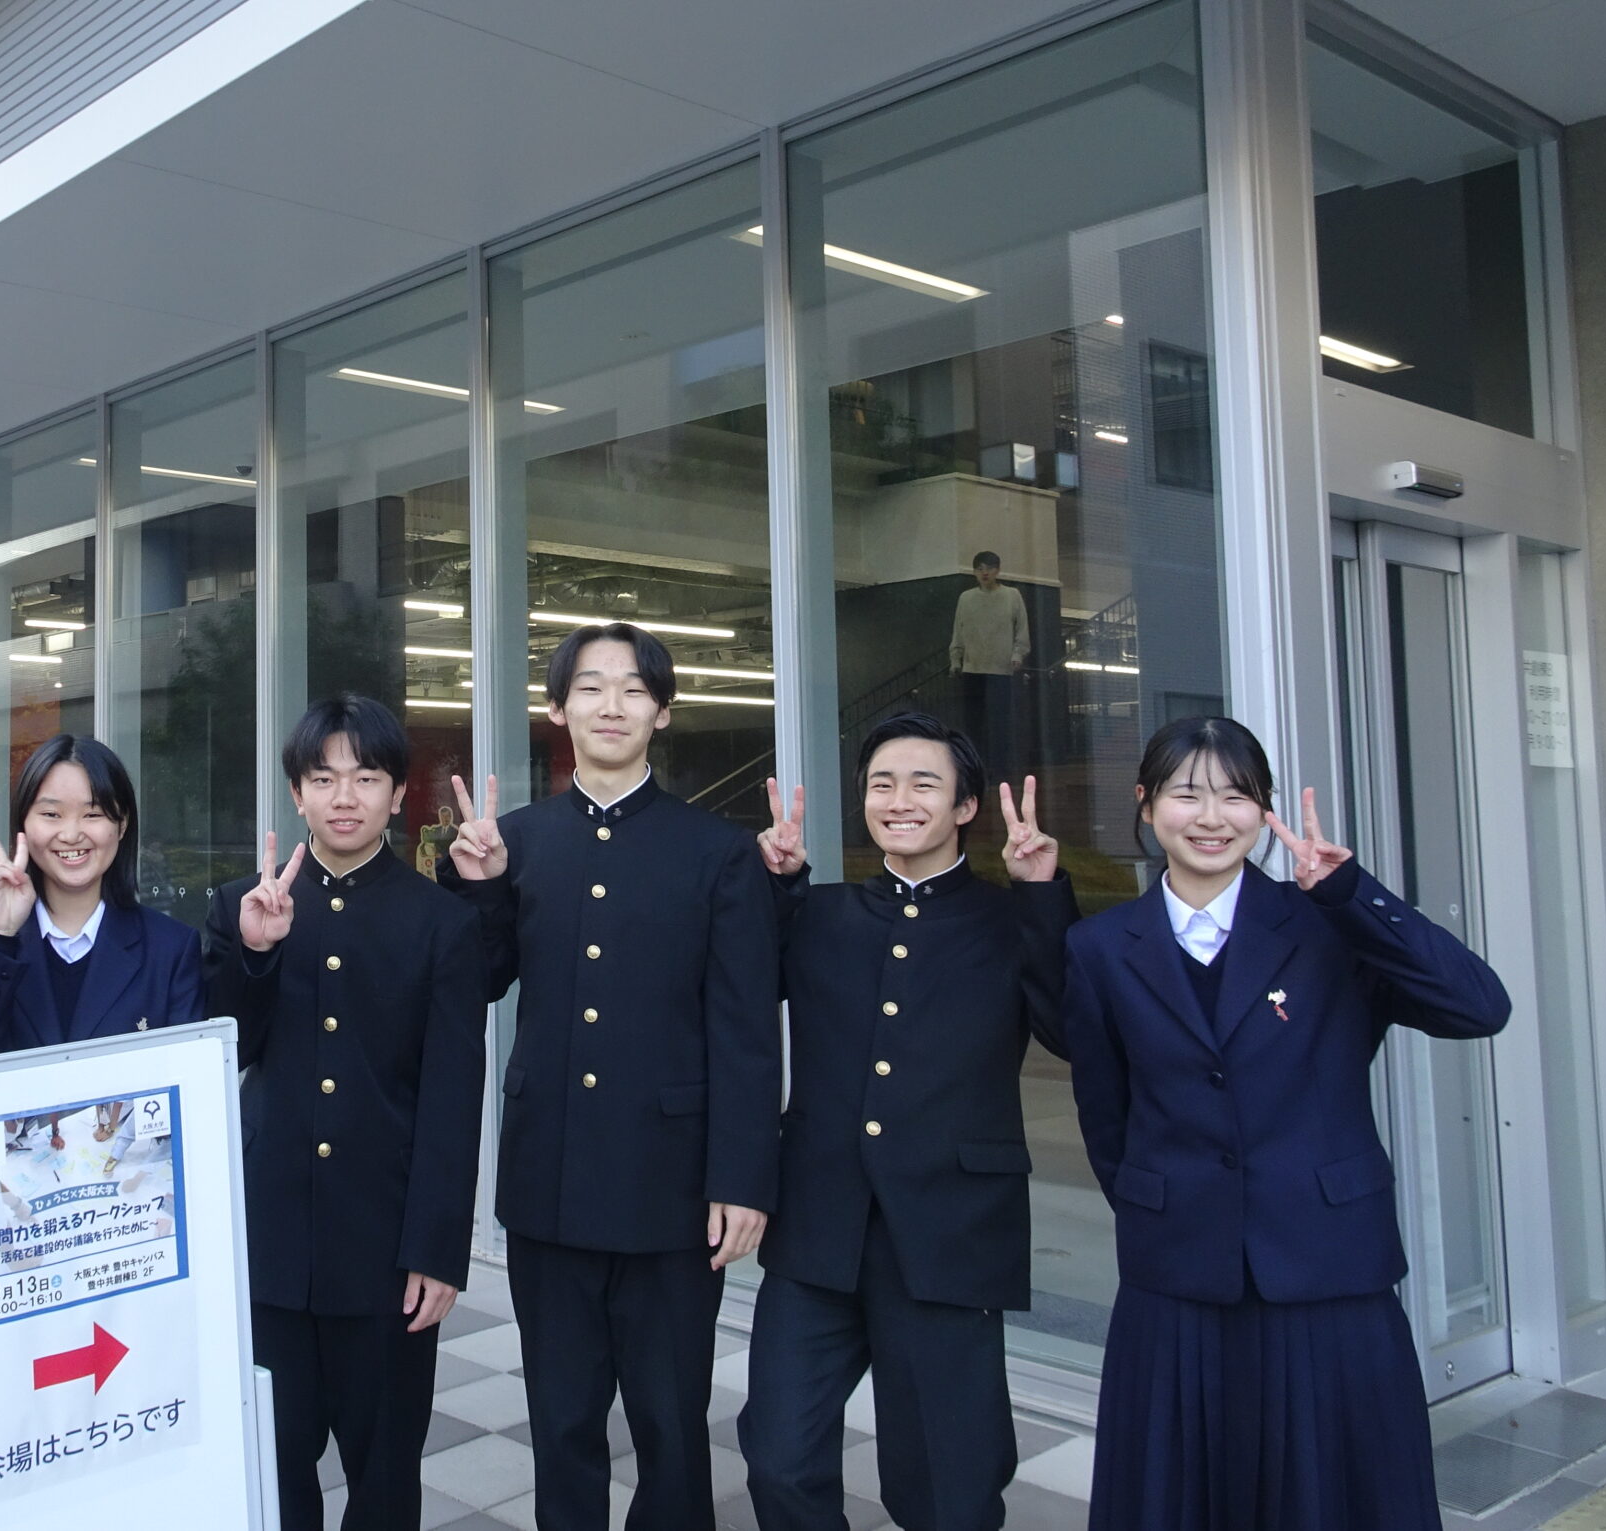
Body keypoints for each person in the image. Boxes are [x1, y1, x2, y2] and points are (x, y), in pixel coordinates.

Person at [1066, 716, 1510, 1530]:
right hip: (1177, 1276)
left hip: (1327, 1266)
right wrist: (1162, 1200)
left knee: (1336, 1495)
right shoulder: (1100, 947)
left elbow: (1480, 1006)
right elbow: (1108, 1112)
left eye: (1237, 796)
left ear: (1265, 810)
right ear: (1146, 803)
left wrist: (1351, 893)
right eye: (1187, 794)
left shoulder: (1329, 926)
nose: (1211, 817)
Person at [442, 623, 781, 1531]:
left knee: (671, 1423)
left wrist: (743, 1177)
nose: (611, 705)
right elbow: (477, 982)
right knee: (561, 1421)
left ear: (662, 712)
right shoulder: (515, 841)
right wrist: (480, 887)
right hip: (548, 1180)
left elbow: (746, 1030)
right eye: (590, 687)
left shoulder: (717, 851)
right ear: (559, 709)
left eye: (634, 688)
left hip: (672, 1189)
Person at [737, 714, 1078, 1531]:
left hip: (950, 1234)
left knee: (947, 1488)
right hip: (819, 1228)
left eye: (924, 784)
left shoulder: (1008, 920)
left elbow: (1072, 1028)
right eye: (882, 784)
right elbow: (736, 989)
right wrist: (777, 884)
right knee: (780, 1458)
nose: (899, 800)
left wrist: (1042, 893)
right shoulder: (821, 913)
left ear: (965, 806)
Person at [203, 696, 486, 1531]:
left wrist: (437, 1247)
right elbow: (221, 1049)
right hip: (269, 1242)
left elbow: (452, 1094)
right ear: (297, 793)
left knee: (385, 1476)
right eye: (323, 778)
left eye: (366, 777)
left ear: (397, 793)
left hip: (386, 1248)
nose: (344, 796)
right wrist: (256, 952)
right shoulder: (239, 905)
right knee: (272, 1469)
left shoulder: (441, 921)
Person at [0, 734, 203, 1059]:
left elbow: (188, 1074)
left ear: (122, 825)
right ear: (23, 824)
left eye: (92, 814)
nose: (71, 835)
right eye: (51, 814)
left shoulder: (170, 949)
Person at [948, 550, 1028, 776]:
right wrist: (955, 659)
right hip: (972, 668)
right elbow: (959, 631)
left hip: (1001, 670)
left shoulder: (1012, 595)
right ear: (974, 572)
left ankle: (1000, 771)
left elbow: (1021, 628)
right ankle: (975, 770)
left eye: (990, 568)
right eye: (980, 568)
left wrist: (1018, 654)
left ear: (998, 570)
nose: (985, 573)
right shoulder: (966, 598)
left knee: (1000, 724)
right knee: (973, 723)